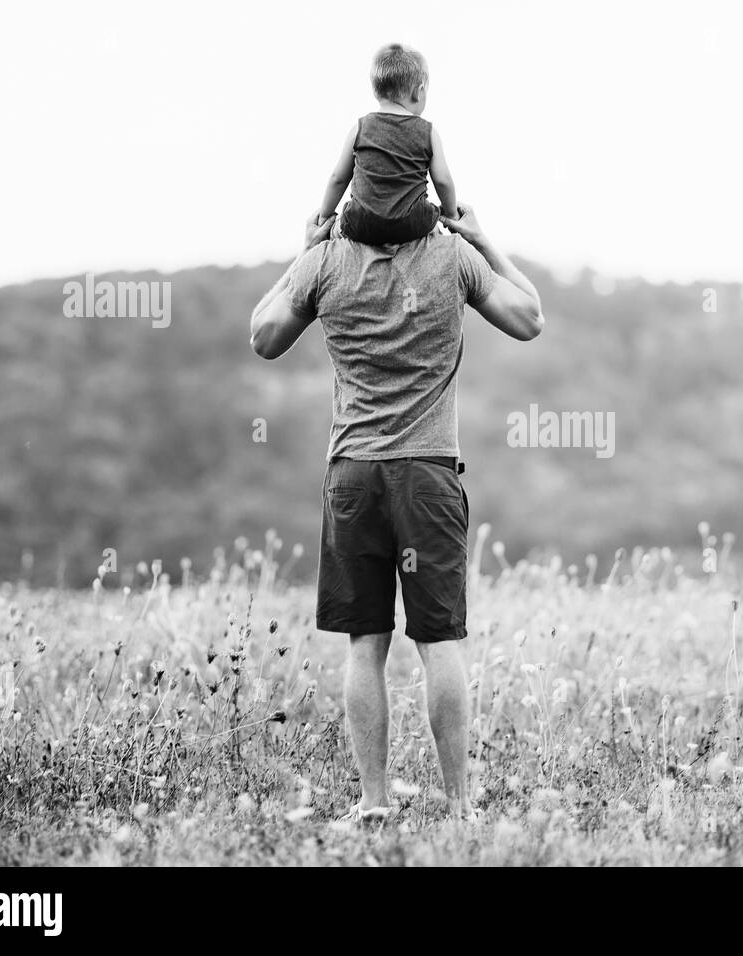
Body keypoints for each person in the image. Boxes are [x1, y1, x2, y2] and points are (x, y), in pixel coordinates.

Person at [250, 204, 543, 821]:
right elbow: (530, 317)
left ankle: (374, 802)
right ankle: (460, 808)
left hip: (354, 475)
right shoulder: (453, 258)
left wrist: (302, 253)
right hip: (428, 477)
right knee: (440, 643)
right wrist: (485, 239)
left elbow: (263, 336)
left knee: (365, 645)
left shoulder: (326, 261)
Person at [312, 43, 457, 246]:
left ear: (375, 90)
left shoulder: (359, 128)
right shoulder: (428, 131)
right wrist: (451, 216)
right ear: (419, 91)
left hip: (361, 223)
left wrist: (324, 218)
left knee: (336, 229)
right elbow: (443, 181)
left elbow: (338, 178)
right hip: (413, 223)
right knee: (434, 228)